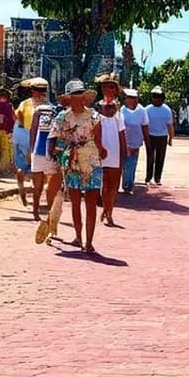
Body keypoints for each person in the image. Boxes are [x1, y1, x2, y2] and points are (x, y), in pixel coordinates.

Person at [52, 80, 105, 252]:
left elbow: (98, 139)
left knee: (90, 202)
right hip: (72, 160)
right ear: (68, 99)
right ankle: (78, 236)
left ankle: (88, 241)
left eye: (80, 95)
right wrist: (58, 156)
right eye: (74, 96)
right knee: (75, 202)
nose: (77, 99)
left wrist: (101, 150)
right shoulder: (63, 117)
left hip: (91, 160)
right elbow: (56, 139)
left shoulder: (94, 116)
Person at [31, 88, 64, 238]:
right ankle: (36, 212)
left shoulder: (64, 112)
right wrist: (31, 149)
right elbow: (34, 129)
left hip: (52, 153)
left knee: (51, 188)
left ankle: (50, 221)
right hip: (40, 150)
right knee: (39, 186)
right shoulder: (41, 110)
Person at [13, 78, 49, 212]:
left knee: (26, 167)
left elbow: (18, 118)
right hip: (31, 137)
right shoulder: (47, 105)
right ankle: (25, 190)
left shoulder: (27, 104)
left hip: (28, 136)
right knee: (33, 169)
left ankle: (23, 189)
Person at [96, 97, 126, 226]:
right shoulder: (97, 119)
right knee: (105, 185)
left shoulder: (119, 118)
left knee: (113, 187)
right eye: (108, 107)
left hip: (115, 155)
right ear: (101, 108)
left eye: (113, 107)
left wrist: (124, 153)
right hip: (101, 155)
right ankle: (107, 210)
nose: (111, 109)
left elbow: (122, 135)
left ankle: (109, 211)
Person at [120, 88, 150, 194]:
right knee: (122, 164)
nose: (134, 100)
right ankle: (120, 184)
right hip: (123, 141)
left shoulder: (142, 111)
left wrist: (147, 142)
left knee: (131, 163)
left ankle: (128, 186)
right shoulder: (121, 111)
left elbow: (145, 126)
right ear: (126, 100)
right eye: (131, 98)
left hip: (136, 142)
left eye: (135, 98)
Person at [144, 87, 174, 186]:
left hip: (162, 137)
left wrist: (171, 138)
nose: (156, 99)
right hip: (150, 136)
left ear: (162, 98)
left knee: (160, 158)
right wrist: (145, 137)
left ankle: (158, 178)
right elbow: (144, 125)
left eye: (158, 97)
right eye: (154, 97)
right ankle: (148, 178)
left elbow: (169, 125)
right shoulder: (147, 109)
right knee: (150, 158)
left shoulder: (166, 110)